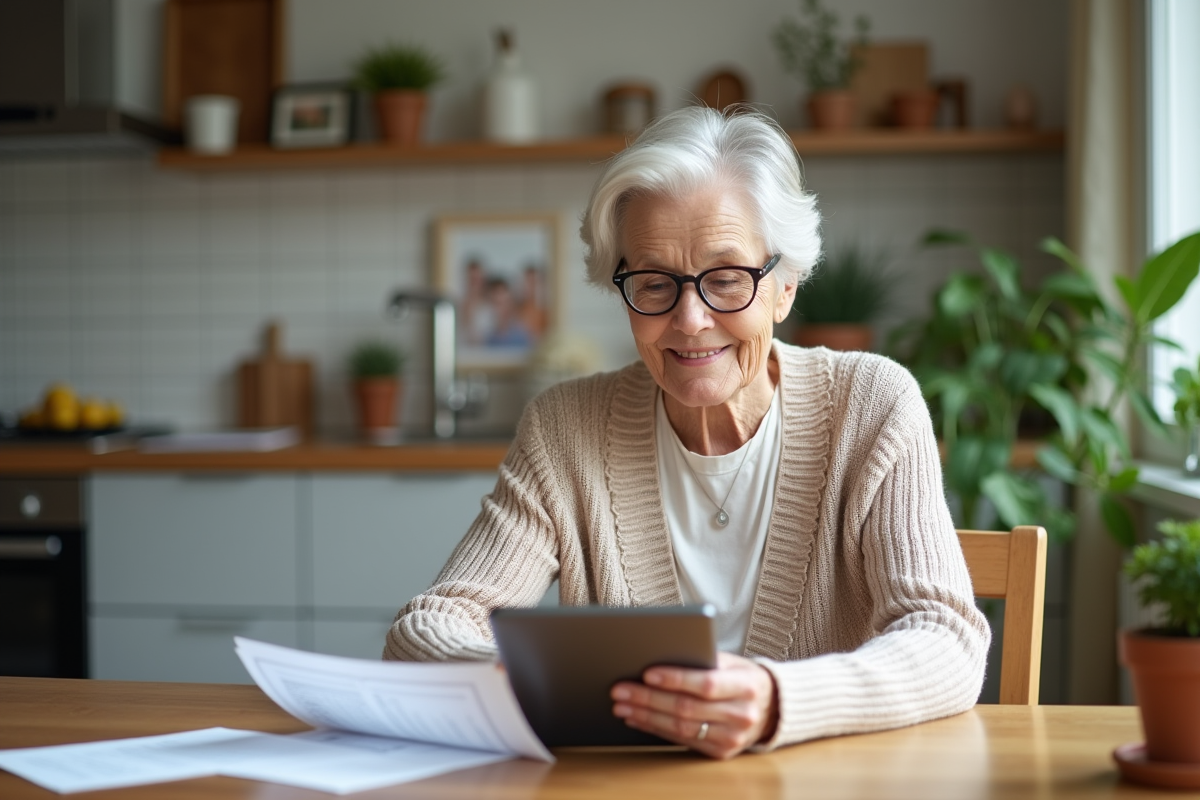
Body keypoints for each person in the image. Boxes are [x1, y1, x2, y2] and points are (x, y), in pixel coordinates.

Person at [385, 106, 989, 759]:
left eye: (726, 279)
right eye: (654, 283)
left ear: (783, 286)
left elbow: (946, 640)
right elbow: (424, 629)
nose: (691, 319)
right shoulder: (565, 429)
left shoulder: (872, 406)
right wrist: (511, 678)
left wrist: (777, 699)